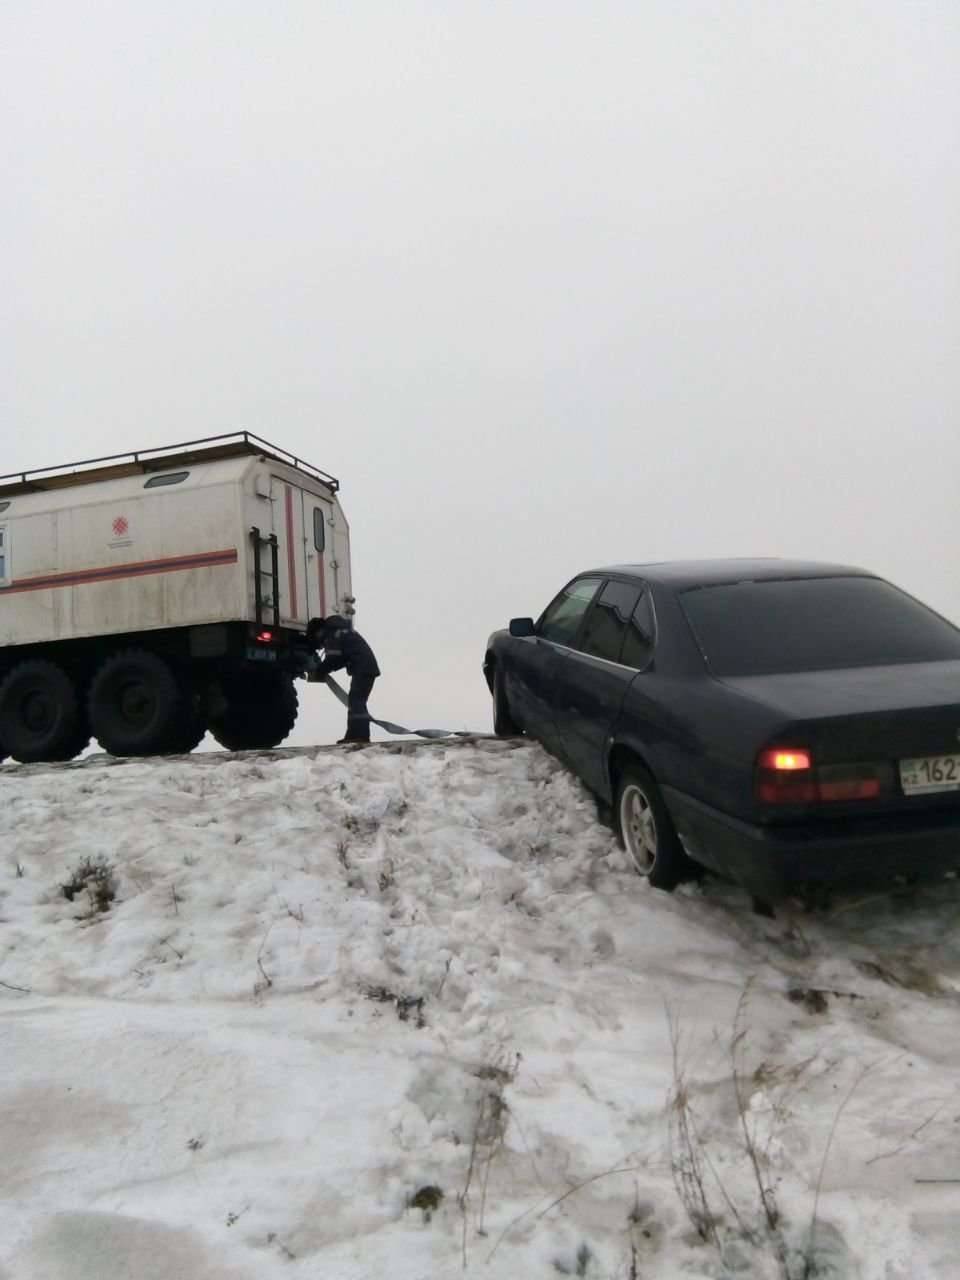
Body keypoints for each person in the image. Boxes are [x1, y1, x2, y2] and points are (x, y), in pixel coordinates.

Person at [307, 615, 381, 744]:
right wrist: (325, 669)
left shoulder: (332, 633)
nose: (320, 641)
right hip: (365, 667)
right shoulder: (340, 630)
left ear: (319, 630)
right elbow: (341, 659)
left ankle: (360, 736)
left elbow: (334, 659)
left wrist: (320, 671)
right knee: (355, 701)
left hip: (363, 668)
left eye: (316, 636)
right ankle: (352, 735)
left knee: (356, 701)